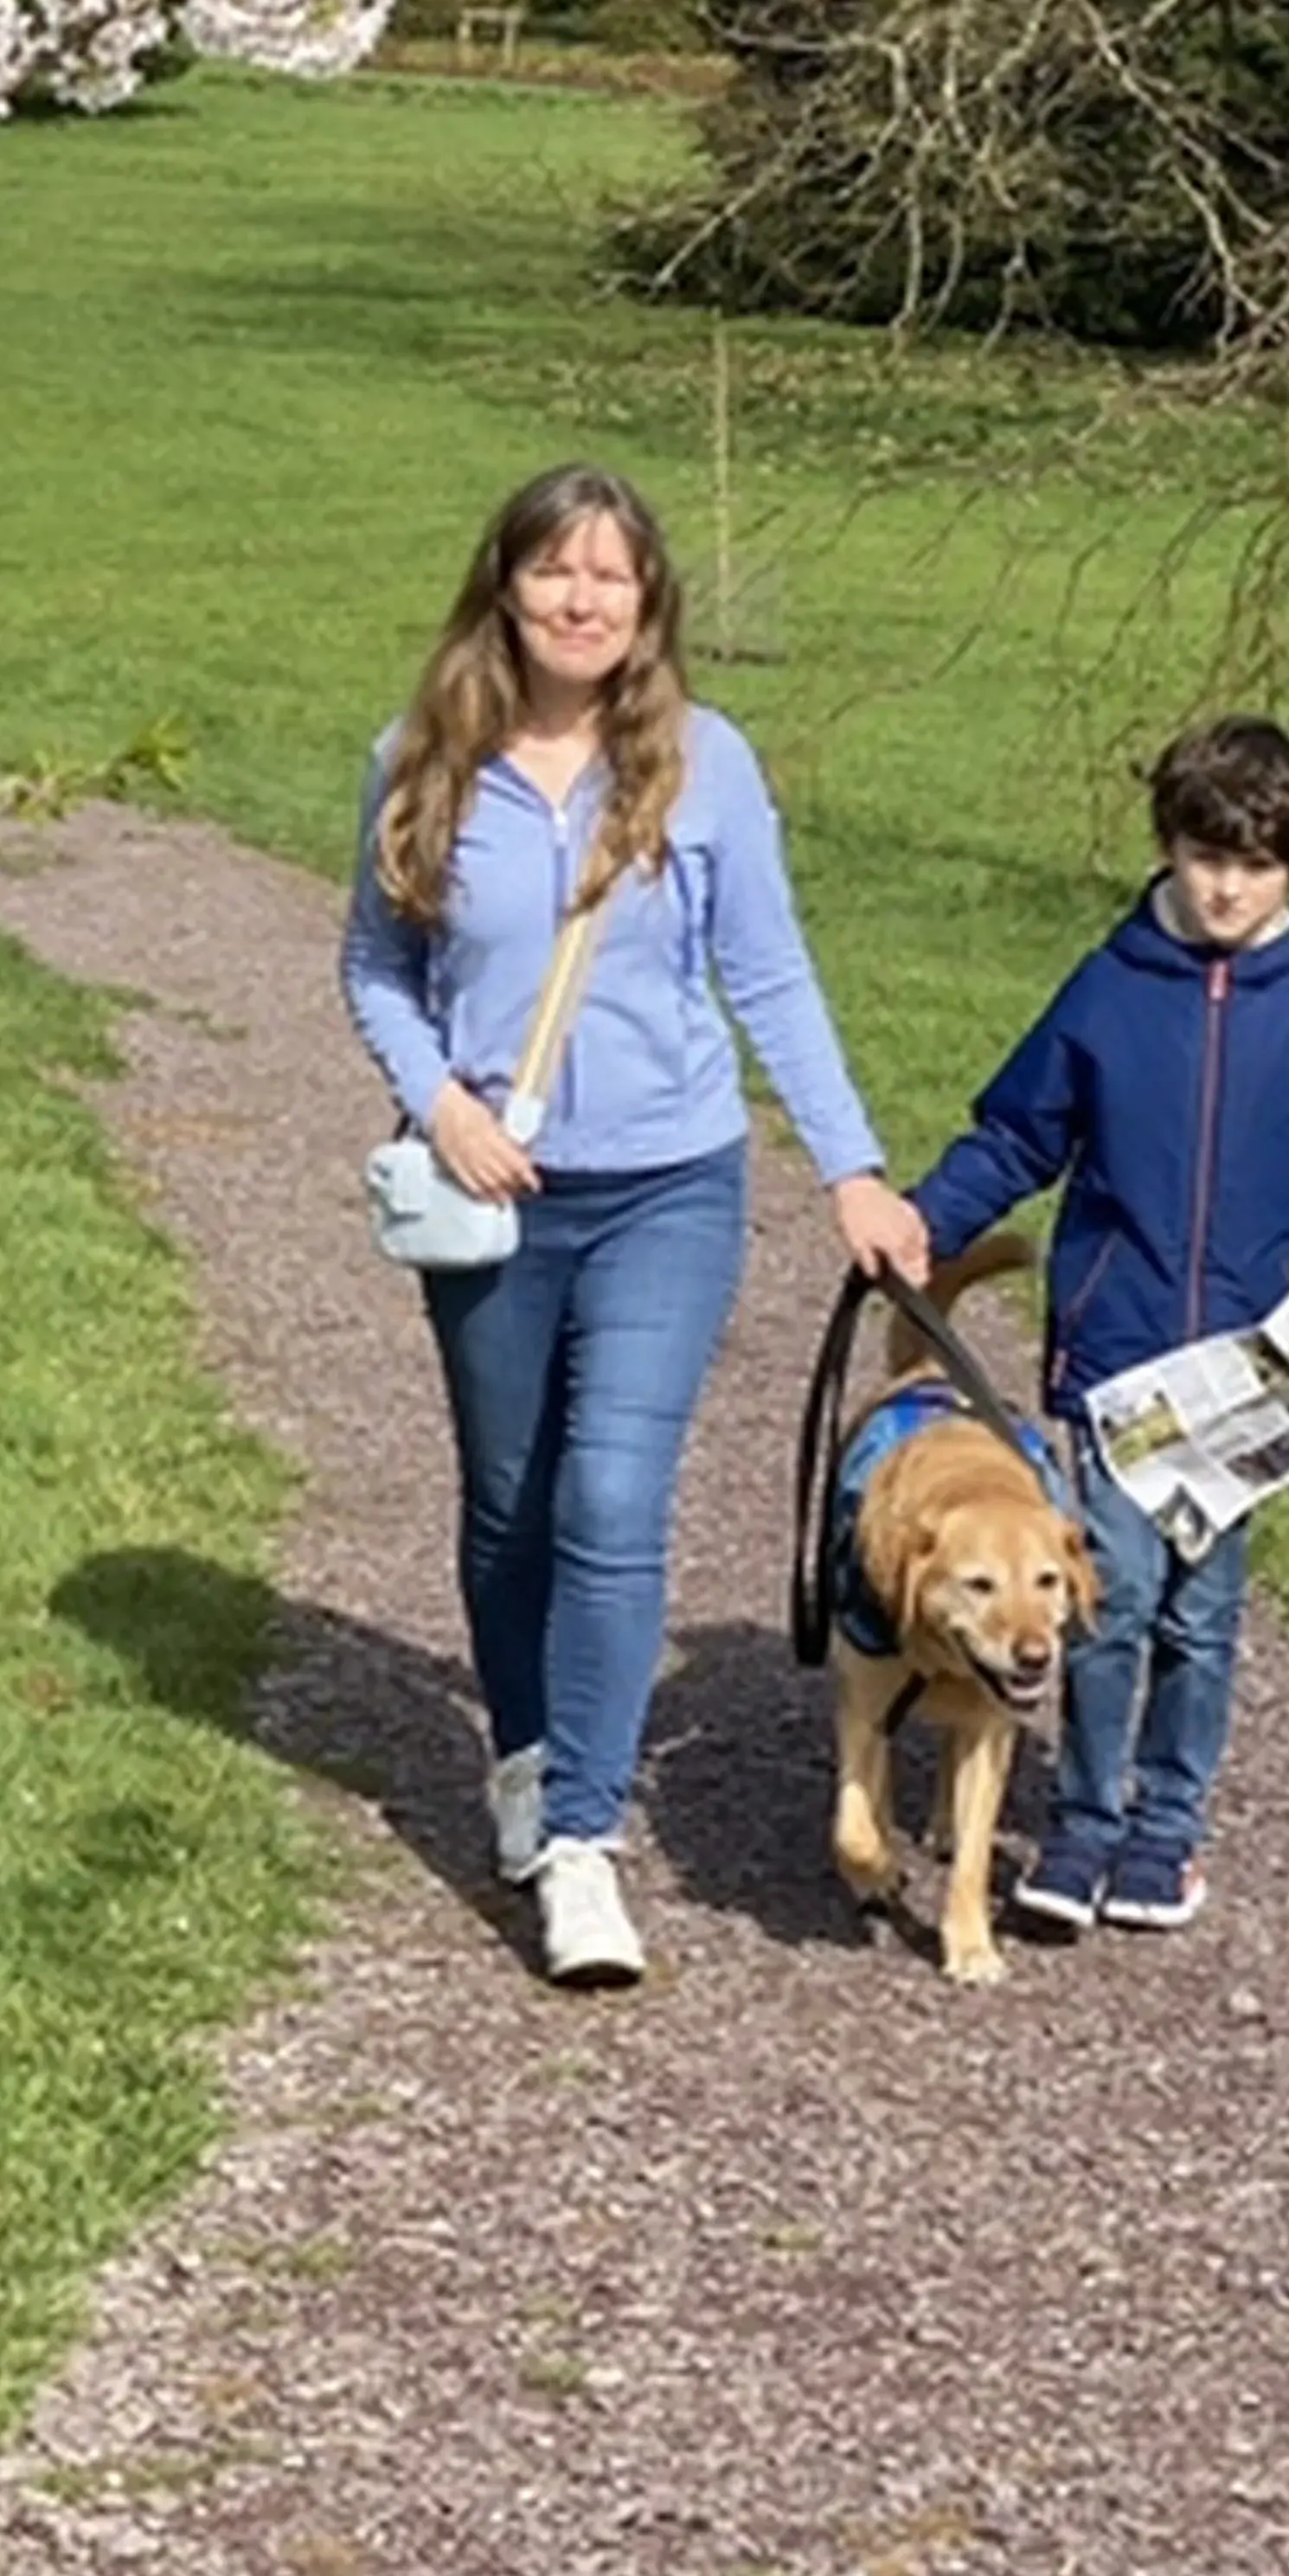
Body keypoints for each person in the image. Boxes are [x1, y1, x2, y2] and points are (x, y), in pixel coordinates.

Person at [342, 463, 920, 1990]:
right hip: (489, 1199)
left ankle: (585, 1843)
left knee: (610, 1497)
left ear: (650, 599)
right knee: (510, 1505)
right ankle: (526, 1757)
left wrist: (853, 1169)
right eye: (555, 574)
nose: (584, 601)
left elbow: (773, 979)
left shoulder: (704, 765)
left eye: (613, 577)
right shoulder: (422, 756)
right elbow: (375, 967)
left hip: (672, 1183)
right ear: (506, 589)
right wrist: (438, 1101)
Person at [914, 714, 1289, 1940]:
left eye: (1256, 862)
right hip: (1124, 1357)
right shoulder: (1107, 990)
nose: (1228, 884)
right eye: (1205, 856)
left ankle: (1167, 1830)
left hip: (1249, 1375)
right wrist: (923, 1226)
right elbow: (1020, 1133)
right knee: (1113, 1591)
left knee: (1203, 1608)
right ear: (1170, 849)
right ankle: (1082, 1825)